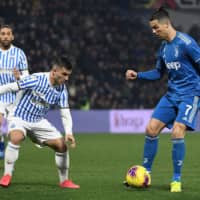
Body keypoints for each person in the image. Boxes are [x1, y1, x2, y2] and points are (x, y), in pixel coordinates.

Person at [125, 7, 200, 192]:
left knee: (177, 131)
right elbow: (159, 73)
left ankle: (176, 179)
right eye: (152, 28)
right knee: (151, 129)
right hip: (172, 95)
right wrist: (139, 75)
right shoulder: (164, 48)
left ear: (167, 24)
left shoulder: (187, 43)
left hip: (190, 95)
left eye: (156, 27)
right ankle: (145, 174)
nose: (153, 31)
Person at [0, 55, 80, 189]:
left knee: (61, 145)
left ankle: (64, 181)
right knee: (16, 137)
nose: (66, 78)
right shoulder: (37, 79)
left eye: (68, 75)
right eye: (64, 74)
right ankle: (7, 175)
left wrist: (69, 132)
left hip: (38, 121)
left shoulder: (62, 90)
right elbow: (11, 87)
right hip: (19, 117)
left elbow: (65, 112)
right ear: (54, 71)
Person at [0, 25, 29, 159]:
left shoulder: (19, 53)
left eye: (8, 34)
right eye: (3, 34)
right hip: (0, 96)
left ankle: (8, 158)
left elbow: (27, 77)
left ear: (12, 37)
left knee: (13, 134)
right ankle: (1, 147)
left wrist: (19, 77)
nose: (5, 36)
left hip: (15, 99)